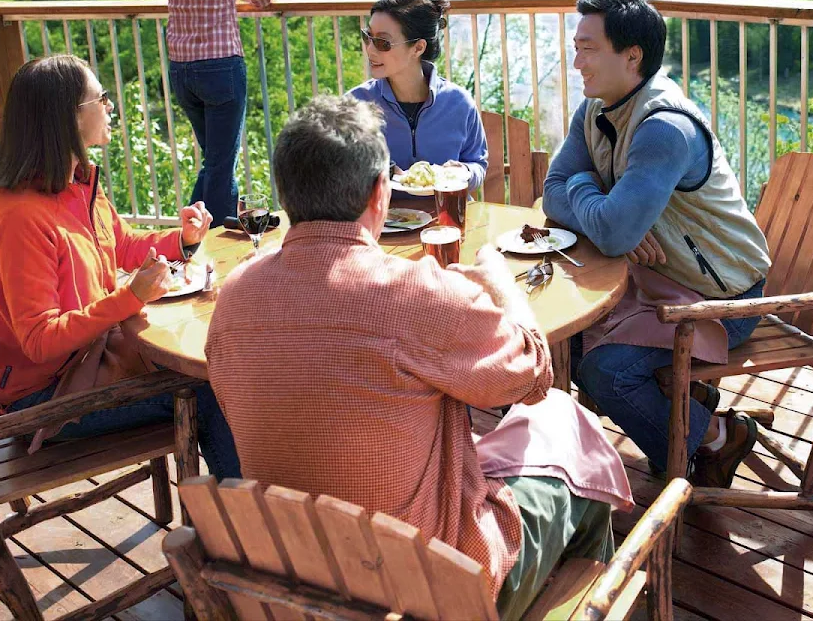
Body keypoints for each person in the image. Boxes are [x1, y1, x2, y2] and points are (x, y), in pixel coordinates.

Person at [207, 96, 630, 619]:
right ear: (379, 194)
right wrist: (502, 288)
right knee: (575, 453)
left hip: (294, 581)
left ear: (286, 193)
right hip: (431, 593)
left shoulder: (236, 296)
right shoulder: (414, 296)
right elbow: (534, 376)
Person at [542, 0, 772, 488]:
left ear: (632, 56)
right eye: (575, 46)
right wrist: (604, 213)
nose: (576, 60)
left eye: (587, 48)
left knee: (606, 372)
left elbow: (608, 226)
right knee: (561, 343)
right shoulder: (598, 109)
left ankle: (713, 436)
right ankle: (686, 416)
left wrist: (597, 202)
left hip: (721, 299)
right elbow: (551, 194)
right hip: (660, 284)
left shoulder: (664, 128)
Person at [0, 55, 240, 479]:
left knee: (218, 366)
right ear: (69, 117)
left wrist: (181, 240)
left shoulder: (75, 182)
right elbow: (40, 340)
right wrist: (130, 297)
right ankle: (242, 533)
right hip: (40, 396)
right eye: (101, 98)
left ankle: (244, 511)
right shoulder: (20, 217)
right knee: (208, 389)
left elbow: (121, 243)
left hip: (92, 358)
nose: (110, 106)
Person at [161, 0, 275, 225]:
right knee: (222, 163)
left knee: (215, 160)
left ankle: (189, 236)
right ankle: (212, 242)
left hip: (181, 67)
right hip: (220, 66)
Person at [347, 0, 487, 190]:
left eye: (382, 42)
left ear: (418, 48)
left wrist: (465, 172)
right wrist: (381, 171)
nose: (370, 49)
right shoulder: (355, 104)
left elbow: (477, 164)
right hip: (382, 219)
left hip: (447, 217)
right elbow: (338, 170)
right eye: (368, 36)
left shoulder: (459, 103)